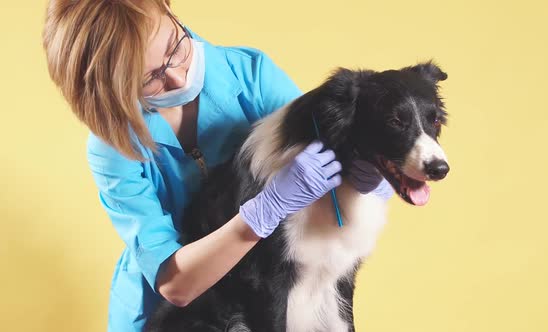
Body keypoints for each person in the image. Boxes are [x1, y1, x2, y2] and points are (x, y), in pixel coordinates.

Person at [42, 0, 393, 331]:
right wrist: (262, 213)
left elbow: (330, 164)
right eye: (150, 78)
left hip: (269, 291)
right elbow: (176, 284)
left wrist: (368, 181)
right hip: (181, 313)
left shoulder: (251, 75)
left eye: (174, 47)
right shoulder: (112, 147)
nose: (178, 77)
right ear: (110, 91)